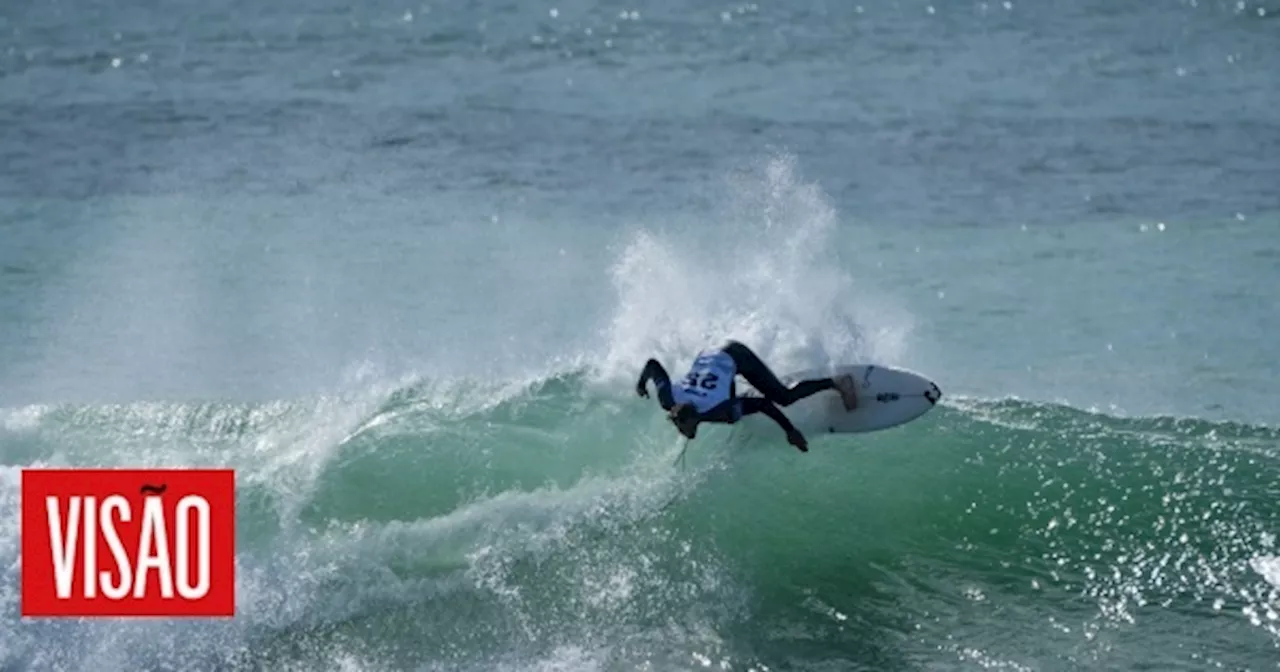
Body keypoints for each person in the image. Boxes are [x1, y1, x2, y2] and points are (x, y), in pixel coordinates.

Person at [635, 340, 858, 452]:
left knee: (783, 397)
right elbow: (653, 366)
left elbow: (763, 404)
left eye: (685, 428)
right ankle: (737, 390)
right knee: (733, 414)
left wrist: (790, 431)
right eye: (680, 428)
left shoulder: (718, 407)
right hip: (710, 354)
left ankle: (837, 382)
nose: (684, 433)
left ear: (694, 418)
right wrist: (641, 383)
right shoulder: (668, 399)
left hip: (735, 354)